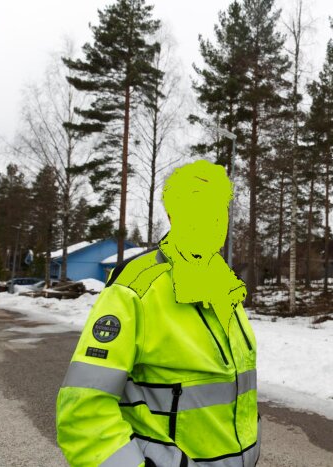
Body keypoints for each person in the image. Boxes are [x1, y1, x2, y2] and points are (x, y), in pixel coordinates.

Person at [56, 160, 259, 466]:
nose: (213, 219)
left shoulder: (225, 288)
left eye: (219, 208)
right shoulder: (136, 288)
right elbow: (82, 414)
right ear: (173, 214)